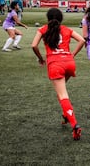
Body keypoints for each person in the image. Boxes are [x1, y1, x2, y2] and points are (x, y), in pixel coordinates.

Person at [31, 8, 85, 140]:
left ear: (48, 18)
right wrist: (72, 54)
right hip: (69, 63)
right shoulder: (66, 29)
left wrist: (40, 58)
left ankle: (75, 125)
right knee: (62, 92)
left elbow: (34, 45)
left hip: (55, 64)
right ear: (61, 19)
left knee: (62, 94)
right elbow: (82, 40)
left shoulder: (43, 29)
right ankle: (66, 115)